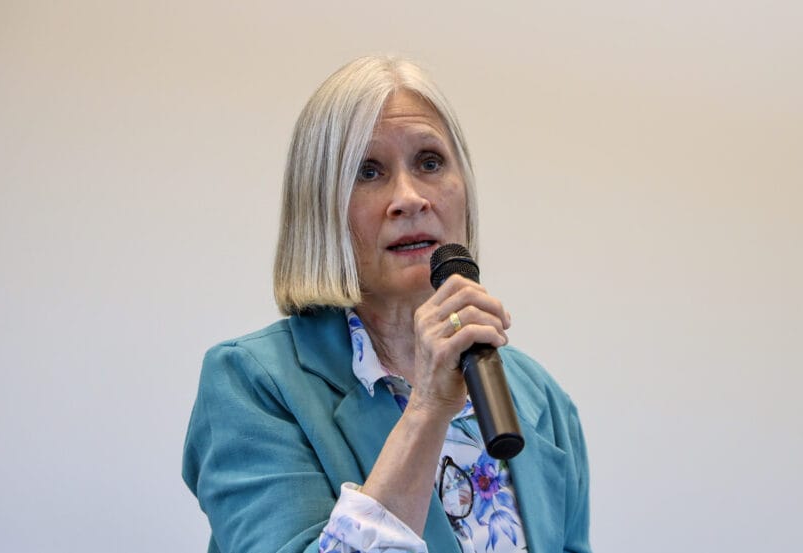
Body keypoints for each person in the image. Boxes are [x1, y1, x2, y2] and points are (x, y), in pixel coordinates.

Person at [182, 55, 591, 553]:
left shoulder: (539, 397)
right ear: (320, 208)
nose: (410, 197)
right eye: (369, 172)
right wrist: (427, 408)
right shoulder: (252, 384)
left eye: (430, 162)